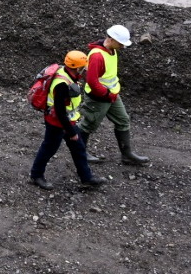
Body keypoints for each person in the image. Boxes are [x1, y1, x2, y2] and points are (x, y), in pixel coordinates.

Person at [29, 51, 107, 190]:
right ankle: (36, 175)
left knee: (78, 148)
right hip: (57, 123)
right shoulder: (62, 85)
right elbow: (59, 111)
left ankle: (86, 177)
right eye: (83, 67)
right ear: (77, 67)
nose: (85, 70)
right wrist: (71, 132)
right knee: (49, 149)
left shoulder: (66, 74)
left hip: (66, 121)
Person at [78, 24, 150, 166]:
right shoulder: (97, 56)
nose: (123, 47)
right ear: (111, 39)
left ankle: (127, 155)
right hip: (98, 97)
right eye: (121, 43)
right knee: (88, 125)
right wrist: (106, 94)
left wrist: (111, 94)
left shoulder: (111, 50)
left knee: (123, 120)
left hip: (111, 95)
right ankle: (80, 153)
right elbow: (92, 82)